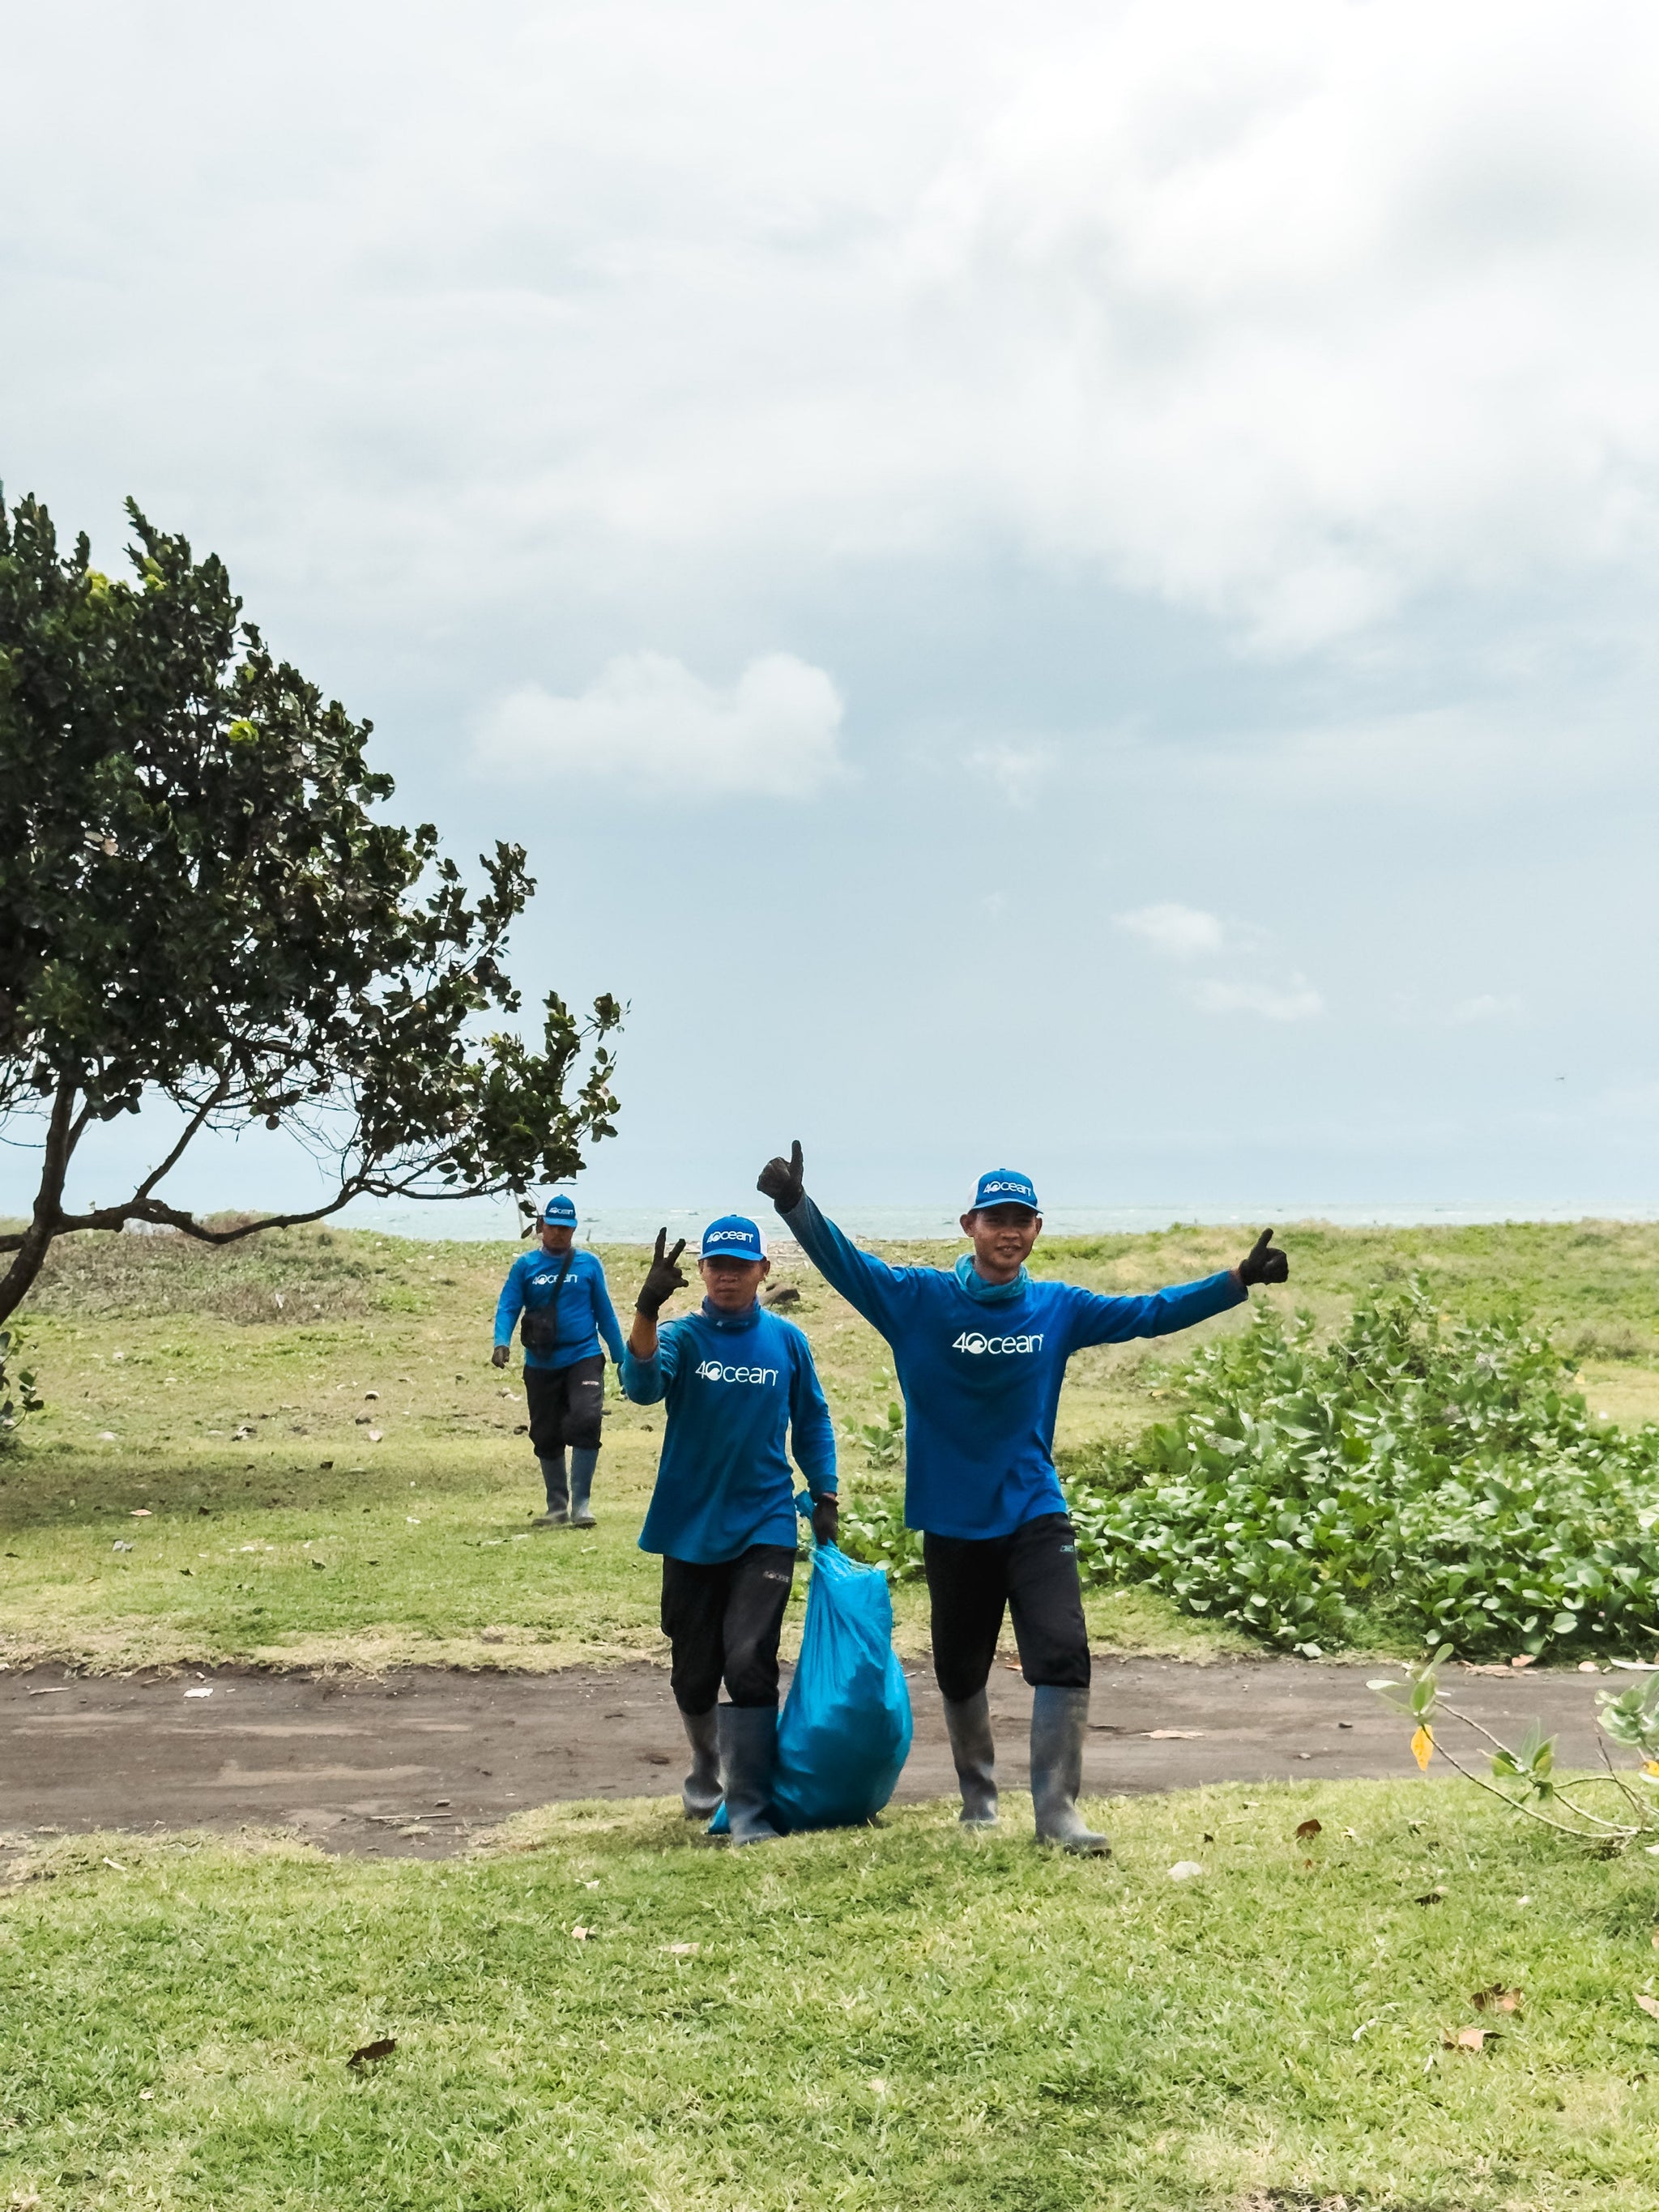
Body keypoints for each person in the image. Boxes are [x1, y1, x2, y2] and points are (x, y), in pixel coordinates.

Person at [755, 1143, 1290, 1854]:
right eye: (995, 1219)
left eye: (1022, 1220)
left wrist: (1236, 1278)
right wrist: (796, 1205)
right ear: (969, 1225)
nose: (1008, 1232)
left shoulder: (1057, 1308)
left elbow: (1147, 1312)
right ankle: (978, 1796)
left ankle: (1057, 1811)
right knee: (959, 1664)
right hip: (952, 1515)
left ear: (1037, 1230)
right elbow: (847, 1264)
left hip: (1035, 1507)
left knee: (1064, 1647)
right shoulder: (916, 1301)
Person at [621, 1215, 838, 1844]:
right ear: (701, 1272)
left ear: (763, 1272)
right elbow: (640, 1386)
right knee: (694, 1671)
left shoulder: (788, 1342)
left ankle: (748, 1805)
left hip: (766, 1520)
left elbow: (813, 1419)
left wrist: (824, 1491)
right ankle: (704, 1766)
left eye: (741, 1265)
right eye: (717, 1264)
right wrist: (645, 1308)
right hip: (689, 1525)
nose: (728, 1274)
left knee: (748, 1659)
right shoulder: (684, 1338)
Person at [492, 1194, 625, 1528]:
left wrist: (622, 1359)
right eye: (553, 1227)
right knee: (546, 1433)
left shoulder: (589, 1264)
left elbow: (605, 1314)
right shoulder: (526, 1266)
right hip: (541, 1362)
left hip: (584, 1355)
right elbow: (509, 1305)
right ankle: (557, 1507)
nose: (559, 1234)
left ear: (574, 1229)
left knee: (586, 1419)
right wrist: (501, 1342)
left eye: (566, 1228)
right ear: (541, 1227)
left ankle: (582, 1505)